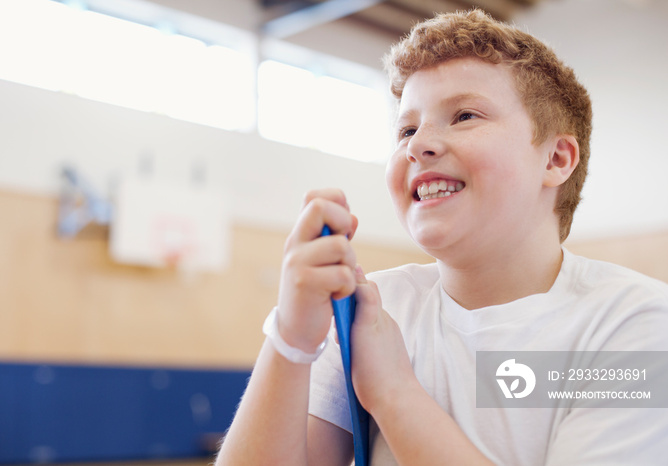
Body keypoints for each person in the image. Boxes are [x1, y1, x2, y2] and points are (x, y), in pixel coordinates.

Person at [216, 8, 668, 465]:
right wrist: (291, 339)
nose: (417, 144)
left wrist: (394, 395)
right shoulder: (375, 308)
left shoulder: (635, 324)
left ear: (555, 159)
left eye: (464, 115)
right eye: (407, 128)